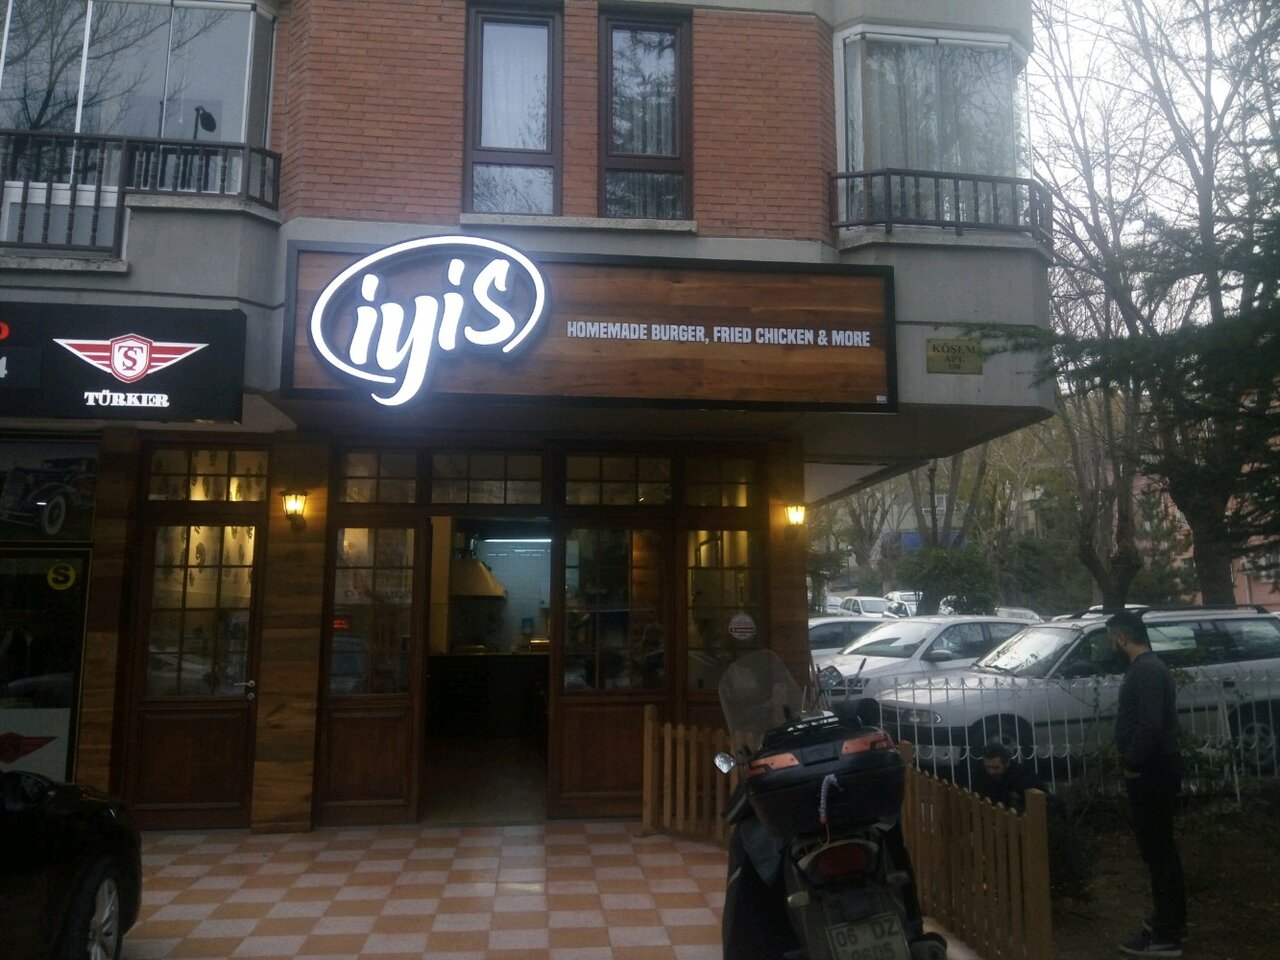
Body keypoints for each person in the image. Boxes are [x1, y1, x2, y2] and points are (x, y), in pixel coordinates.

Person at [1108, 610, 1186, 957]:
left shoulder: (1148, 671)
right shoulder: (1144, 669)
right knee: (1157, 851)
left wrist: (1132, 762)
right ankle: (1167, 921)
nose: (1111, 645)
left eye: (1112, 639)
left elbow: (1151, 725)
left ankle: (1168, 934)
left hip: (1152, 772)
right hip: (1152, 770)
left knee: (1159, 851)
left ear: (1123, 638)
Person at [972, 740, 1058, 814]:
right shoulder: (980, 775)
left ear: (1007, 763)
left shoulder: (1023, 775)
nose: (991, 771)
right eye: (988, 767)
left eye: (996, 768)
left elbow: (1043, 800)